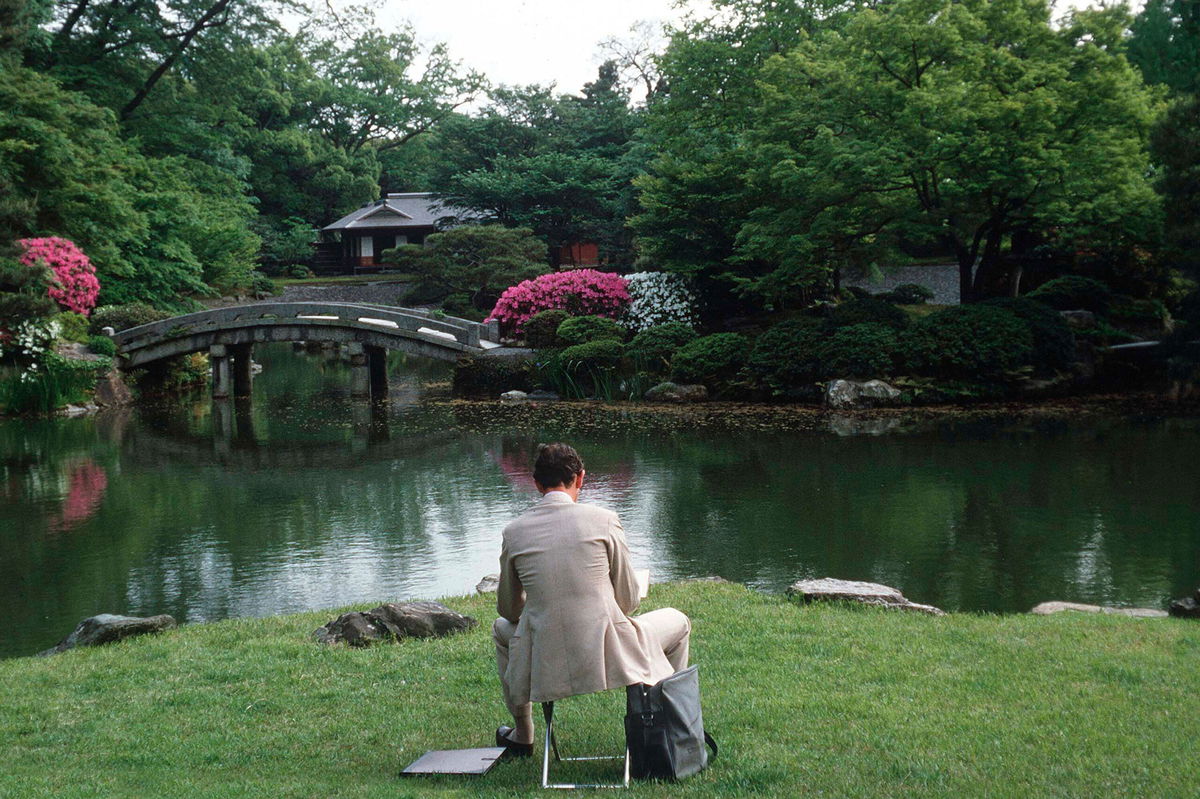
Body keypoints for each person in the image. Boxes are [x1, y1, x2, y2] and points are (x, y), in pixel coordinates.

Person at [492, 442, 691, 755]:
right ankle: (661, 727)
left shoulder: (514, 532)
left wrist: (544, 604)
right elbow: (627, 603)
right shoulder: (605, 520)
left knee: (500, 629)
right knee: (678, 622)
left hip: (545, 660)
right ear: (580, 478)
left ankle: (523, 733)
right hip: (610, 656)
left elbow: (508, 609)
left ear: (536, 484)